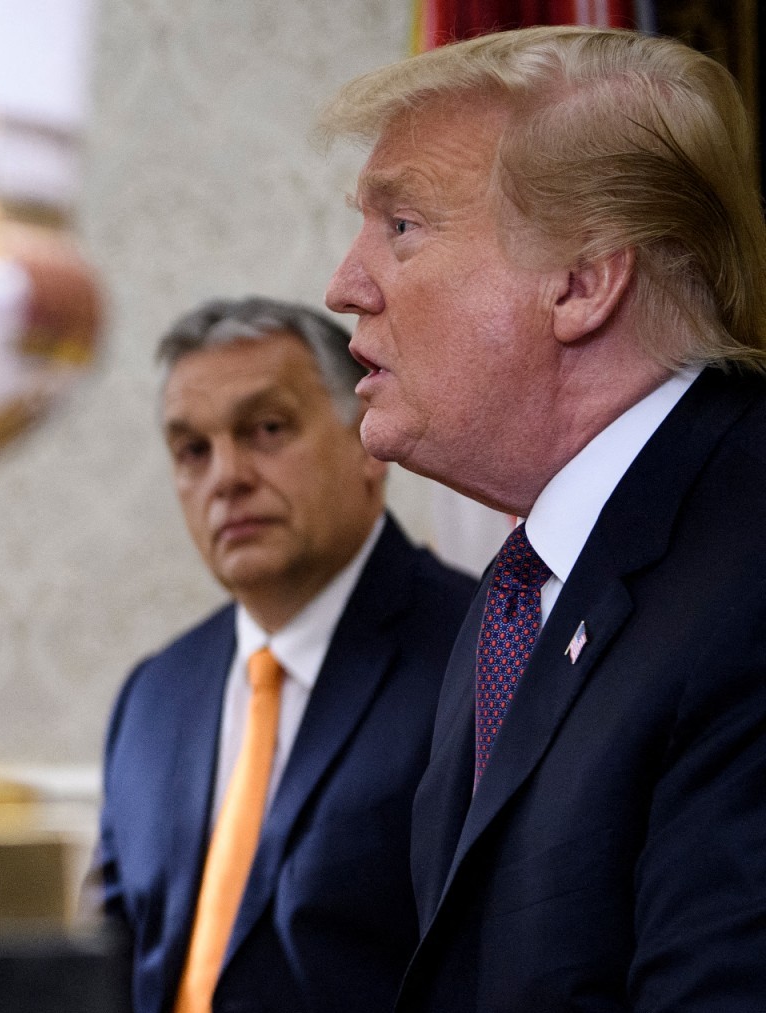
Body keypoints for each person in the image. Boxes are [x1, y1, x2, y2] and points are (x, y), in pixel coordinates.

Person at [321, 26, 766, 1013]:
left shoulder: (751, 574)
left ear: (581, 280)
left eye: (401, 224)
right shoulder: (521, 595)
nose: (345, 285)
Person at [99, 297, 474, 1013]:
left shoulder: (478, 653)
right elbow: (109, 968)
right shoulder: (153, 696)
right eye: (193, 450)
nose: (226, 476)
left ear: (368, 445)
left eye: (266, 429)